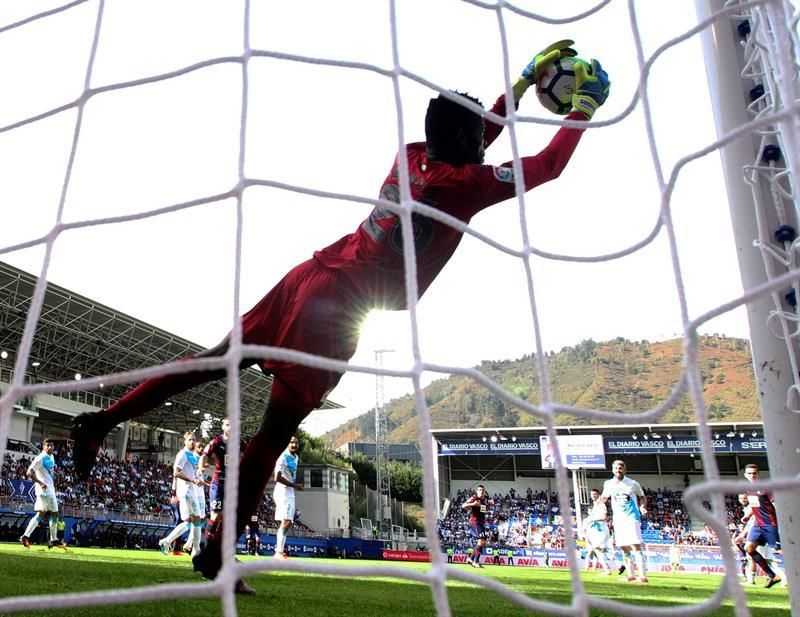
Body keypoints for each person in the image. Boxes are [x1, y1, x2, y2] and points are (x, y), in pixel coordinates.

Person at [69, 40, 610, 584]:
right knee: (273, 434)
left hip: (309, 274)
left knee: (214, 360)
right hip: (338, 311)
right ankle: (215, 549)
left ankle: (101, 421)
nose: (485, 147)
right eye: (478, 139)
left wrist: (520, 85)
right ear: (466, 142)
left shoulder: (413, 155)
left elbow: (473, 134)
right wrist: (582, 108)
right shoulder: (464, 185)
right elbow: (547, 165)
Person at [159, 432, 208, 558]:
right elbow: (176, 472)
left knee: (190, 522)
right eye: (190, 439)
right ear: (185, 441)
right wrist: (192, 480)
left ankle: (167, 541)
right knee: (196, 520)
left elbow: (195, 476)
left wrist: (206, 484)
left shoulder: (193, 456)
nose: (192, 442)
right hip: (186, 492)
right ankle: (195, 550)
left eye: (194, 439)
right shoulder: (182, 454)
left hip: (193, 492)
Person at [199, 418, 246, 541]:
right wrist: (201, 467)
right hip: (218, 483)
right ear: (223, 427)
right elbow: (204, 455)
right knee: (216, 515)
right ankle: (208, 543)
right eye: (228, 425)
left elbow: (249, 455)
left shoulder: (240, 442)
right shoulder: (216, 441)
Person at [602, 460, 648, 583]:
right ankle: (630, 575)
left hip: (631, 517)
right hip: (618, 519)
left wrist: (642, 506)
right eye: (616, 468)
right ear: (612, 470)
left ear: (625, 470)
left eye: (621, 468)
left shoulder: (632, 483)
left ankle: (642, 576)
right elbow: (604, 497)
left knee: (635, 545)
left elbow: (642, 497)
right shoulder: (608, 484)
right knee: (624, 547)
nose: (618, 470)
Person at [741, 465, 782, 588]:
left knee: (780, 551)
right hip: (758, 525)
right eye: (749, 473)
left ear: (758, 474)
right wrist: (748, 516)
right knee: (749, 548)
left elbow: (776, 504)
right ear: (745, 475)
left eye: (754, 473)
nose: (752, 475)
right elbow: (755, 505)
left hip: (770, 524)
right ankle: (772, 576)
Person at [20, 438, 66, 550]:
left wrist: (55, 476)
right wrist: (40, 482)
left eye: (51, 445)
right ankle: (54, 539)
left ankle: (25, 536)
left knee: (41, 514)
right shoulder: (40, 458)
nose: (49, 447)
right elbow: (29, 472)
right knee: (54, 513)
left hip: (48, 489)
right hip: (45, 490)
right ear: (43, 446)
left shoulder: (52, 457)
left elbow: (48, 472)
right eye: (47, 445)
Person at [272, 435, 304, 560]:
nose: (294, 445)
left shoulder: (295, 457)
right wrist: (294, 485)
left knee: (288, 522)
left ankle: (280, 551)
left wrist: (294, 486)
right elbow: (277, 477)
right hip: (283, 491)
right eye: (291, 442)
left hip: (290, 492)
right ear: (287, 443)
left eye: (296, 443)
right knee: (286, 521)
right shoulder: (283, 457)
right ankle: (278, 552)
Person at [182, 439, 209, 554]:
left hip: (200, 491)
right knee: (195, 519)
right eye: (199, 447)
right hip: (195, 492)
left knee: (200, 519)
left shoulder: (200, 458)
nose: (201, 449)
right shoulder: (192, 458)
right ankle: (190, 545)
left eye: (202, 447)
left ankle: (189, 544)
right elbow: (195, 473)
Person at [462, 484, 495, 569]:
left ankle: (472, 559)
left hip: (480, 523)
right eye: (480, 490)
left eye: (483, 490)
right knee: (480, 542)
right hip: (475, 522)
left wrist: (489, 505)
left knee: (482, 543)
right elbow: (463, 506)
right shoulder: (474, 498)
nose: (481, 491)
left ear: (484, 492)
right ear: (477, 491)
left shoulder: (483, 501)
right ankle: (475, 561)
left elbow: (483, 510)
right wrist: (473, 504)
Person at [582, 488, 613, 575]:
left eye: (595, 494)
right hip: (598, 530)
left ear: (599, 495)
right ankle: (608, 568)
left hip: (601, 530)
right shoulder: (595, 504)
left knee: (598, 549)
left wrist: (591, 519)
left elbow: (604, 517)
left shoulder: (601, 504)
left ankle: (608, 569)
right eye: (592, 494)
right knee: (599, 550)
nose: (593, 496)